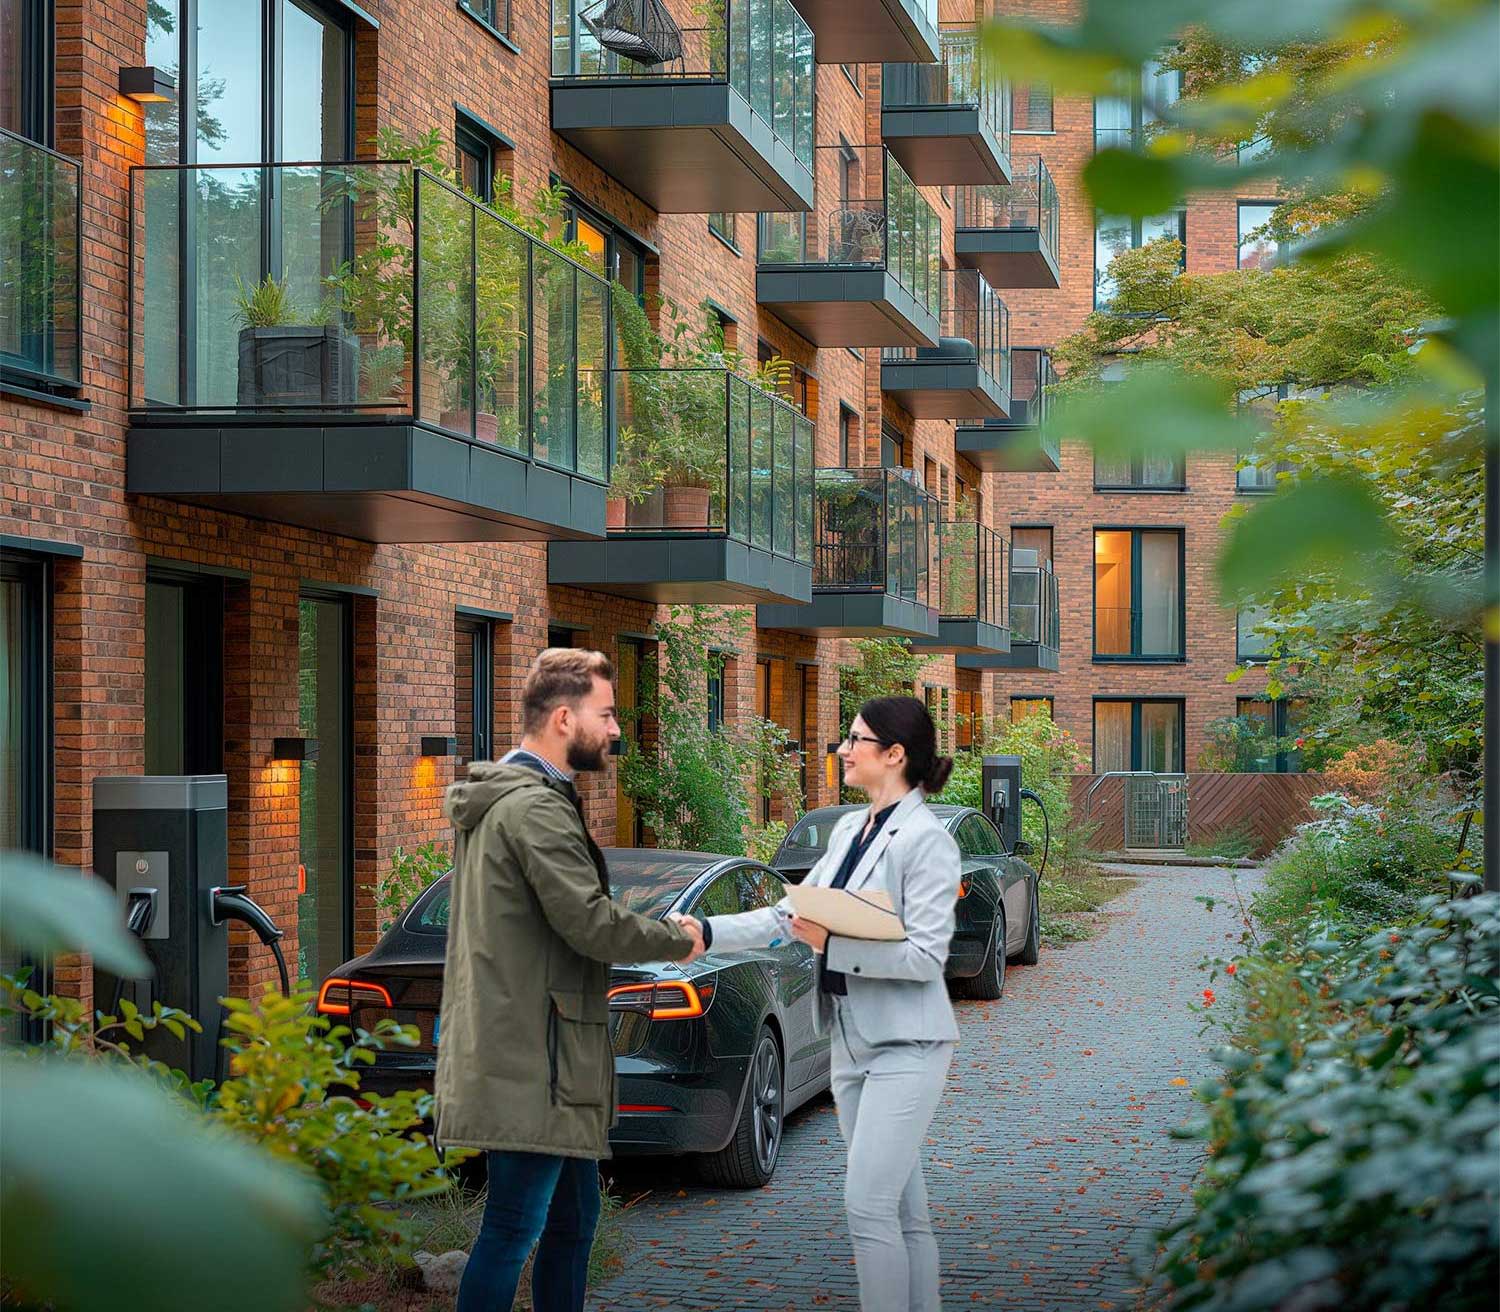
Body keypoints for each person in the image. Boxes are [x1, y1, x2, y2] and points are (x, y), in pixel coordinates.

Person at [435, 647, 706, 1312]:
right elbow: (589, 923)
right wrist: (682, 937)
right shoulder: (533, 809)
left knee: (572, 1221)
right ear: (563, 718)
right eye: (606, 714)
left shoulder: (522, 800)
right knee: (512, 1230)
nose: (616, 729)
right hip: (536, 1061)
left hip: (541, 1054)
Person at [673, 695, 960, 1312]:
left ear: (895, 754)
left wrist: (836, 943)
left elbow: (926, 958)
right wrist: (710, 932)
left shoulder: (927, 841)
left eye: (855, 739)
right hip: (850, 1043)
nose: (843, 749)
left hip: (907, 1046)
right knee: (906, 1212)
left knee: (868, 1206)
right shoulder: (852, 830)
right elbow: (789, 914)